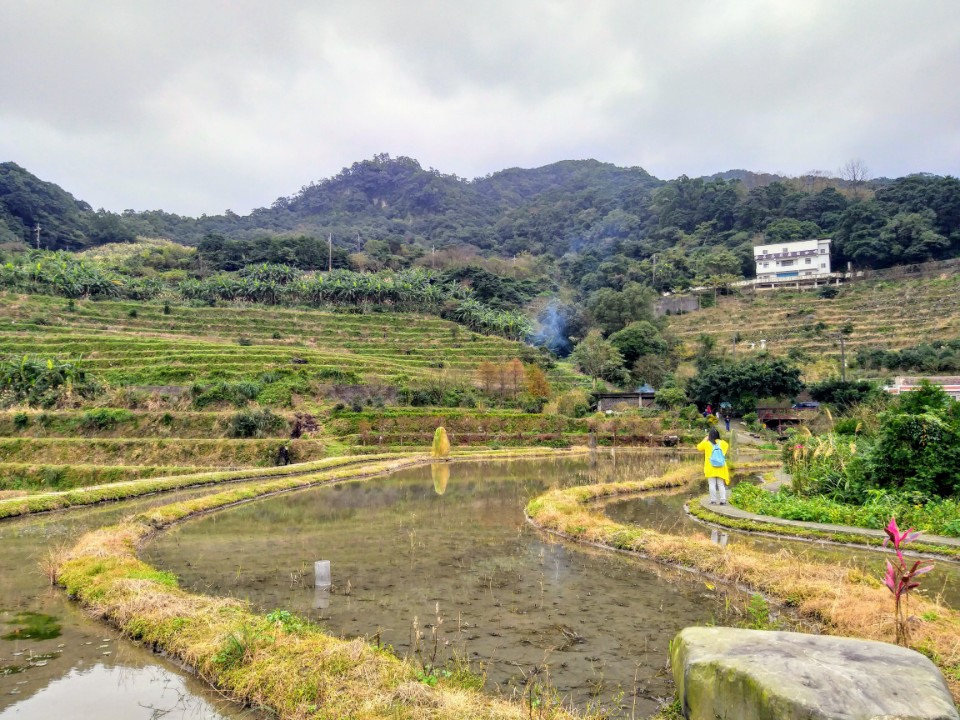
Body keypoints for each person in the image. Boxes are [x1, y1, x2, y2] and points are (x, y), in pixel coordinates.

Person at [697, 427, 730, 505]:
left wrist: (705, 439)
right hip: (721, 467)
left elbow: (698, 447)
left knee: (712, 484)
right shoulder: (723, 443)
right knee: (721, 484)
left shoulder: (706, 443)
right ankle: (723, 500)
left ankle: (713, 501)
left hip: (710, 467)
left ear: (709, 435)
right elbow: (726, 446)